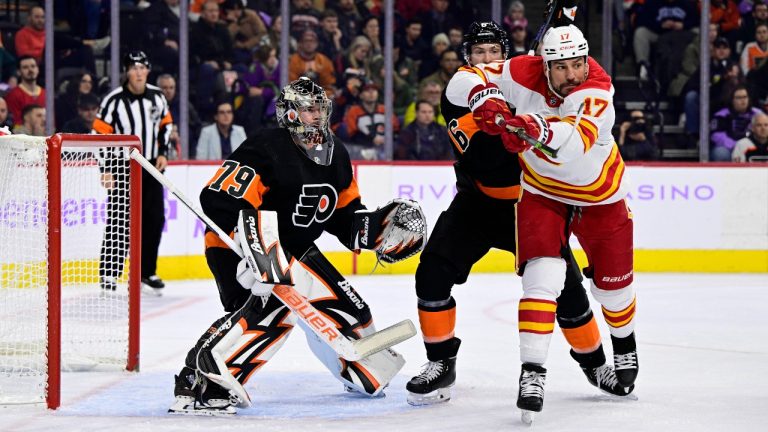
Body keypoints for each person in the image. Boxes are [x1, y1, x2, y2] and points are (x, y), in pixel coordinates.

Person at [405, 19, 634, 409]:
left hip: (530, 202)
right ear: (467, 59)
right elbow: (485, 155)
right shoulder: (459, 95)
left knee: (569, 295)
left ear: (506, 57)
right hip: (477, 203)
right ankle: (441, 363)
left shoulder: (528, 87)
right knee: (431, 273)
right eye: (479, 53)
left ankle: (595, 365)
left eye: (494, 52)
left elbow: (571, 126)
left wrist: (529, 122)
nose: (487, 58)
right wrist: (499, 115)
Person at [169, 77, 420, 416]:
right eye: (307, 110)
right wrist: (254, 248)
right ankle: (201, 378)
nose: (316, 116)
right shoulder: (266, 147)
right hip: (236, 245)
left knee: (354, 314)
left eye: (319, 109)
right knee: (272, 309)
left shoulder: (337, 155)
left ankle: (357, 370)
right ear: (289, 114)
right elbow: (216, 200)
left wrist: (373, 231)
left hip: (296, 247)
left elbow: (344, 216)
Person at [93, 51, 173, 295]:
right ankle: (109, 272)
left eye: (142, 67)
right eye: (133, 67)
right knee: (119, 219)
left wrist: (163, 153)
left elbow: (165, 126)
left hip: (149, 166)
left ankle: (146, 272)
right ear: (127, 72)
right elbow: (99, 136)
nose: (138, 72)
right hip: (121, 167)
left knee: (154, 219)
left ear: (148, 71)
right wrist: (106, 168)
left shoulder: (158, 97)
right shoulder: (113, 100)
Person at [5, 56, 46, 124]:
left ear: (38, 69)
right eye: (25, 67)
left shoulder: (46, 94)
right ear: (19, 72)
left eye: (33, 66)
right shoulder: (13, 95)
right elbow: (16, 122)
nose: (30, 70)